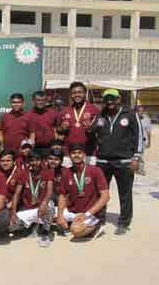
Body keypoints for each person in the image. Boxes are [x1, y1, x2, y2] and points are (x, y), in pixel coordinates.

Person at [89, 89, 143, 235]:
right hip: (102, 161)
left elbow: (138, 136)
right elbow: (91, 133)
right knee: (100, 192)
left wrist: (136, 158)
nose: (110, 101)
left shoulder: (130, 115)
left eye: (113, 98)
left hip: (124, 162)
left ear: (119, 99)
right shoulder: (99, 115)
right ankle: (99, 219)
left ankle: (124, 222)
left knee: (124, 193)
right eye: (107, 99)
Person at [55, 144, 110, 238]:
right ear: (69, 156)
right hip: (73, 210)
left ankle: (97, 226)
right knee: (48, 214)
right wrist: (60, 215)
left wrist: (87, 214)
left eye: (79, 153)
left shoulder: (95, 170)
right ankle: (71, 223)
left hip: (90, 212)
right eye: (73, 153)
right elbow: (62, 196)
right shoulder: (66, 172)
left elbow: (106, 197)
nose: (76, 155)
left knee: (75, 230)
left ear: (84, 155)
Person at [10, 151, 55, 246]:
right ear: (28, 161)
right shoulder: (24, 173)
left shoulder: (48, 172)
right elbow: (16, 194)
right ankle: (32, 226)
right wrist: (13, 212)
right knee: (11, 227)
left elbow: (49, 191)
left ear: (42, 161)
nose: (34, 162)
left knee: (50, 205)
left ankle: (45, 231)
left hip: (42, 208)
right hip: (28, 209)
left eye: (37, 160)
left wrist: (44, 203)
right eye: (32, 160)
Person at [56, 82, 99, 155]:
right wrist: (62, 129)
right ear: (70, 95)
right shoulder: (64, 111)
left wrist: (91, 128)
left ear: (85, 93)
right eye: (74, 93)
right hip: (68, 151)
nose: (77, 95)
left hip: (88, 151)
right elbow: (58, 129)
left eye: (80, 92)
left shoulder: (94, 109)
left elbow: (100, 130)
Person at [27, 90, 58, 155]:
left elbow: (56, 129)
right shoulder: (28, 115)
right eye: (38, 100)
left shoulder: (53, 113)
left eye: (43, 100)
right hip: (34, 148)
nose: (40, 102)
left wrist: (56, 143)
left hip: (50, 147)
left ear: (46, 101)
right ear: (33, 101)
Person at [136, 105, 152, 175]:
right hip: (134, 140)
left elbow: (148, 131)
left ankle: (141, 169)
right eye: (139, 111)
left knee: (141, 156)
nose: (140, 113)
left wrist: (149, 142)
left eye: (142, 111)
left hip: (142, 141)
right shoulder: (134, 119)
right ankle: (134, 169)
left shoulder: (146, 120)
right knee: (133, 156)